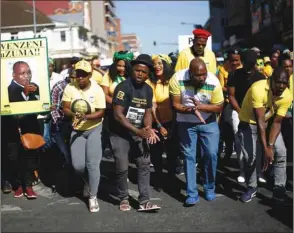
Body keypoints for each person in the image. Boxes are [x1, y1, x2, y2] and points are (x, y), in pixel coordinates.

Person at [110, 54, 161, 212]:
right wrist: (138, 131)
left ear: (148, 74)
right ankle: (123, 197)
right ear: (132, 70)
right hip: (119, 132)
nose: (140, 74)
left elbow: (147, 112)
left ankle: (144, 201)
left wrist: (148, 129)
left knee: (144, 163)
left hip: (138, 131)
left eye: (144, 72)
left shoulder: (148, 90)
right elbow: (118, 115)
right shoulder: (123, 87)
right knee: (122, 166)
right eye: (137, 70)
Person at [169, 58, 224, 205]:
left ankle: (209, 187)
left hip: (208, 122)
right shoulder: (177, 78)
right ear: (190, 74)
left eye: (204, 74)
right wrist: (190, 110)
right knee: (189, 157)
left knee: (211, 154)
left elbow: (219, 107)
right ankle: (191, 193)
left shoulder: (213, 81)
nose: (202, 78)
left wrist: (200, 108)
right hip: (185, 122)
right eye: (198, 76)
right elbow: (175, 104)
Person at [238, 67, 292, 203]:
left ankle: (279, 188)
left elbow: (277, 122)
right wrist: (266, 149)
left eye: (284, 83)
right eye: (278, 82)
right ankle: (252, 187)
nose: (281, 86)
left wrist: (271, 145)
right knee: (251, 157)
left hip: (269, 123)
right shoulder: (258, 88)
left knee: (280, 152)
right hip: (249, 123)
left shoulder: (287, 95)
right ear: (271, 80)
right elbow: (259, 120)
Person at [62, 60, 106, 212]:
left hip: (94, 128)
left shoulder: (97, 89)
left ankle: (93, 196)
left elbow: (101, 112)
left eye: (83, 75)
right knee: (78, 166)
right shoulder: (70, 87)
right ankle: (87, 182)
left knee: (92, 164)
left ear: (90, 75)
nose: (80, 78)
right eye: (78, 74)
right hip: (77, 130)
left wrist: (86, 117)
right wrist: (74, 115)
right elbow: (65, 108)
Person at [227, 50, 266, 183]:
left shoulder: (261, 77)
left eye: (252, 62)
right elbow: (231, 96)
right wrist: (239, 111)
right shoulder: (234, 74)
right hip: (238, 110)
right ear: (242, 62)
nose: (251, 64)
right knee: (239, 141)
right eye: (248, 62)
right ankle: (243, 170)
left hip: (256, 112)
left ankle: (259, 171)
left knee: (258, 142)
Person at [147, 54, 180, 191]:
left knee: (173, 152)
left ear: (166, 65)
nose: (156, 66)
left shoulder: (174, 80)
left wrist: (172, 126)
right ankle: (159, 179)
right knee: (156, 153)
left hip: (175, 121)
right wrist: (159, 125)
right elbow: (152, 106)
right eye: (154, 64)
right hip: (157, 122)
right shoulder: (151, 82)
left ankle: (171, 178)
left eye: (160, 63)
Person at [100, 51, 134, 157]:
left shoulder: (134, 76)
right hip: (112, 113)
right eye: (119, 65)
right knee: (117, 145)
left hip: (131, 113)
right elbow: (104, 95)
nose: (121, 68)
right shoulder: (108, 76)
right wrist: (117, 105)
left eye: (124, 66)